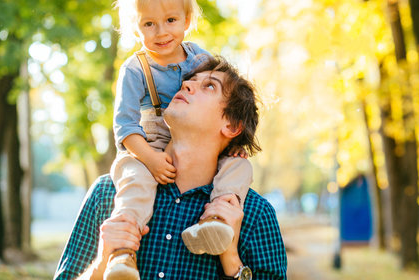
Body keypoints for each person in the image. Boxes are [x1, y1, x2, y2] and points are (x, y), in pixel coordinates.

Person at [54, 56, 288, 280]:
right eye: (189, 81)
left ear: (232, 126)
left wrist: (231, 258)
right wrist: (102, 263)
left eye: (209, 86)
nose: (186, 85)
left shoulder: (256, 215)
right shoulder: (108, 194)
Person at [105, 0, 253, 279]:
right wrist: (151, 159)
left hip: (196, 148)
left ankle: (215, 221)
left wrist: (235, 146)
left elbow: (225, 103)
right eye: (149, 23)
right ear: (136, 28)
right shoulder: (135, 70)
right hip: (148, 147)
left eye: (171, 20)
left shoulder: (199, 59)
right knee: (135, 184)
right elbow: (126, 128)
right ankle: (123, 253)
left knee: (240, 166)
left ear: (187, 20)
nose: (161, 32)